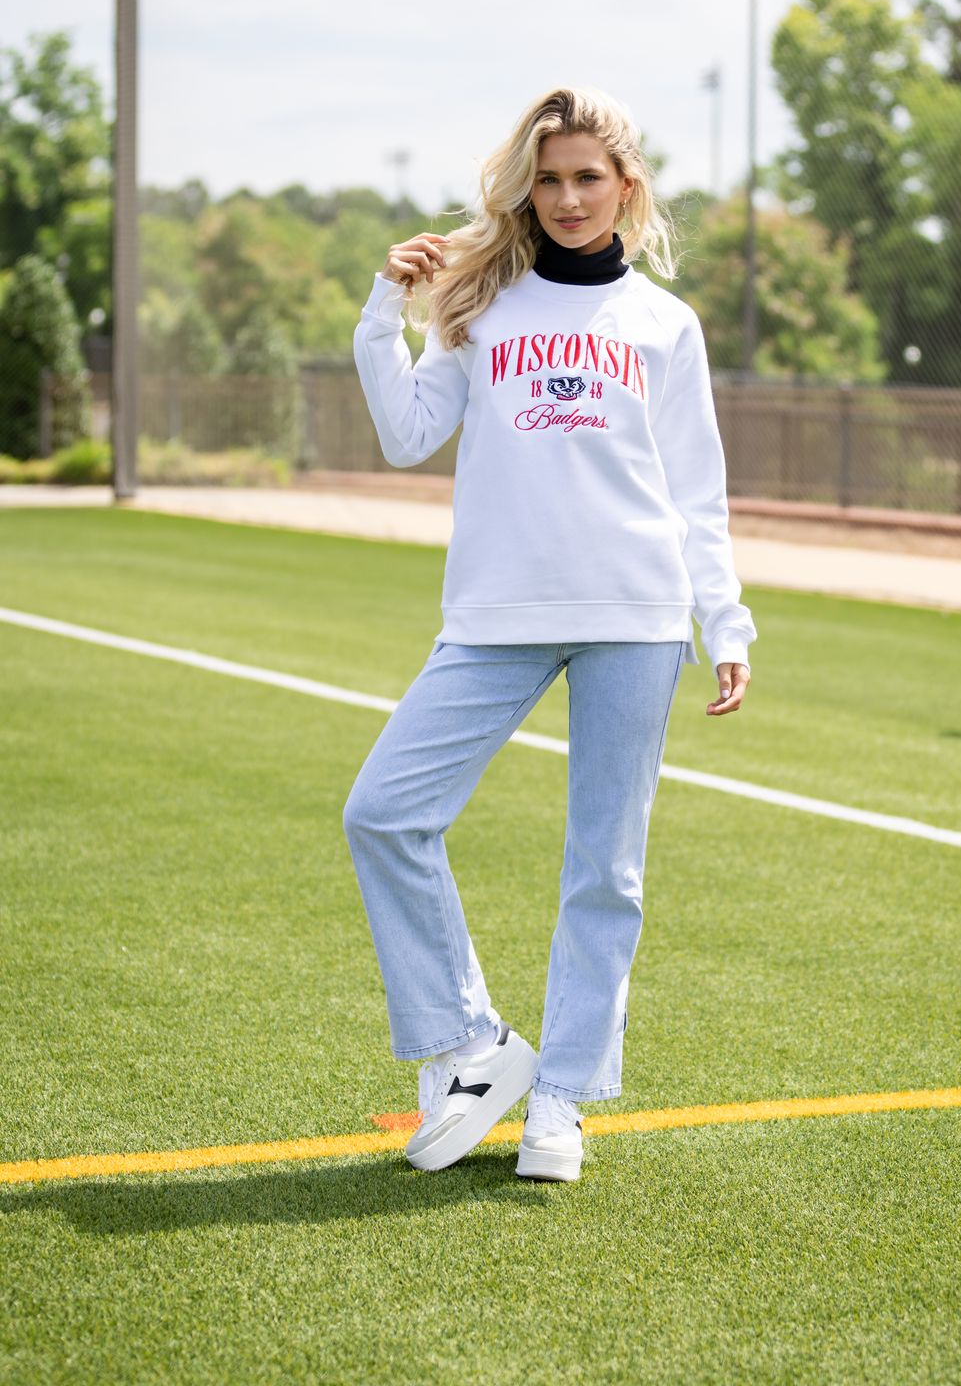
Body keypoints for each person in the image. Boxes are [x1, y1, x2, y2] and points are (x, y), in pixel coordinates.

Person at [342, 84, 756, 1183]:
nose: (566, 197)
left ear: (625, 186)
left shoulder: (665, 325)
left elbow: (695, 494)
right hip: (495, 615)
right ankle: (472, 1046)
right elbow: (405, 435)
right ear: (524, 186)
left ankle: (562, 1100)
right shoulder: (482, 306)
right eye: (547, 176)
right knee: (383, 812)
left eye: (586, 177)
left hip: (634, 614)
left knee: (603, 870)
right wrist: (383, 313)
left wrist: (725, 619)